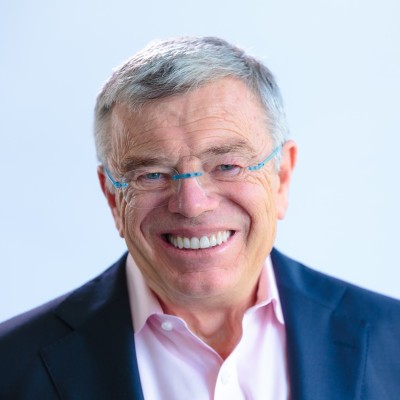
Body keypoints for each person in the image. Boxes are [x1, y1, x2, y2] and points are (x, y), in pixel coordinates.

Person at [0, 36, 399, 400]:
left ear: (281, 177)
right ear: (112, 197)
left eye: (227, 165)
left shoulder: (391, 340)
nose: (191, 204)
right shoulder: (12, 365)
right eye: (151, 174)